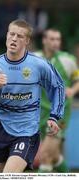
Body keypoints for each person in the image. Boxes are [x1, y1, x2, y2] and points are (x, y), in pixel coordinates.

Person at [0, 20, 65, 173]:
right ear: (7, 36)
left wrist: (54, 116)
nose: (14, 39)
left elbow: (58, 86)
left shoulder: (39, 65)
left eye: (20, 36)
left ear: (27, 41)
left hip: (27, 131)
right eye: (12, 34)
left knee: (9, 176)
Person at [34, 28, 79, 172]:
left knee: (45, 154)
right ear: (44, 40)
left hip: (60, 112)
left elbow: (77, 79)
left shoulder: (68, 60)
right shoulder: (34, 58)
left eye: (58, 39)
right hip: (40, 112)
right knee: (53, 156)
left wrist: (72, 90)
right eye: (52, 39)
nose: (55, 42)